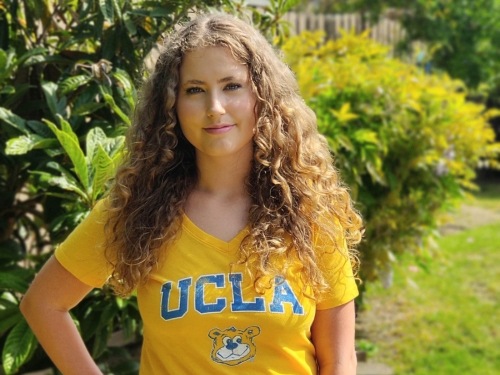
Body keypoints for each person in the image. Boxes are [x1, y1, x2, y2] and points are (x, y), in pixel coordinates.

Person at [21, 13, 363, 375]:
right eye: (195, 90)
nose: (215, 108)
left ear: (263, 96)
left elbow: (339, 360)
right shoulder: (137, 210)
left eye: (232, 86)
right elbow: (43, 304)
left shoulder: (308, 212)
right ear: (171, 106)